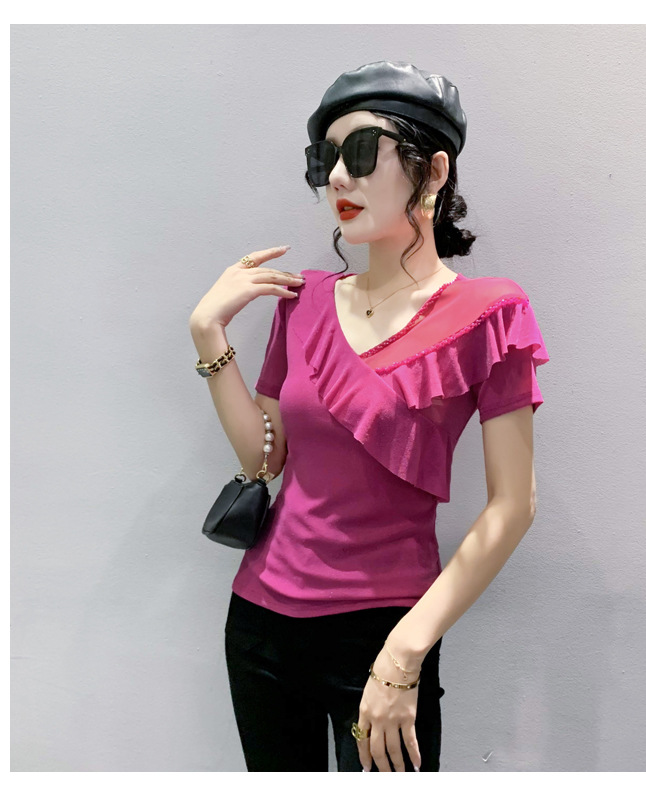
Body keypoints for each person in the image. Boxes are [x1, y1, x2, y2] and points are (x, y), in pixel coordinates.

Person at [189, 61, 550, 772]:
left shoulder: (489, 313)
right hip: (260, 625)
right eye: (324, 161)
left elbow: (514, 505)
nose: (337, 180)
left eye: (359, 153)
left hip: (387, 634)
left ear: (433, 171)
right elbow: (265, 460)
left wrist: (406, 653)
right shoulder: (303, 301)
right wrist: (209, 335)